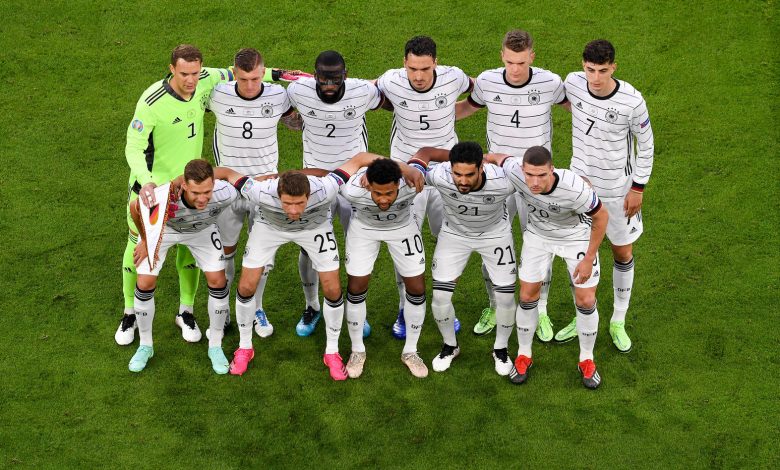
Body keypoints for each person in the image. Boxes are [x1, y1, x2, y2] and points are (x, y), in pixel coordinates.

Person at [116, 43, 301, 346]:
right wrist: (147, 182)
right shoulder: (152, 101)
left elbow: (237, 71)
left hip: (191, 188)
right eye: (184, 74)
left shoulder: (206, 80)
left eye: (195, 73)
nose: (191, 80)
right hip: (154, 191)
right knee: (138, 246)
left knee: (190, 244)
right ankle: (129, 313)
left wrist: (279, 74)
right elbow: (133, 146)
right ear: (172, 69)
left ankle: (186, 311)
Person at [214, 153, 408, 380]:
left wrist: (405, 169)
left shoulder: (326, 188)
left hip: (314, 228)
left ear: (309, 195)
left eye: (300, 203)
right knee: (247, 286)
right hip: (269, 228)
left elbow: (359, 159)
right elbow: (224, 172)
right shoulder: (259, 190)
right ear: (277, 195)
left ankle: (332, 352)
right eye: (287, 203)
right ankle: (245, 347)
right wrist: (181, 181)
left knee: (333, 289)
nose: (294, 210)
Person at [456, 29, 567, 341]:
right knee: (491, 242)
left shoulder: (550, 82)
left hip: (537, 179)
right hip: (497, 177)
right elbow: (467, 108)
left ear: (532, 57)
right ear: (501, 56)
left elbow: (578, 105)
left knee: (542, 245)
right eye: (509, 62)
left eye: (521, 62)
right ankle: (494, 306)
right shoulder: (488, 81)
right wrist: (423, 111)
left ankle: (540, 310)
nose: (515, 69)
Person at [554, 39, 654, 353]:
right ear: (582, 66)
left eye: (602, 70)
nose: (595, 78)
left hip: (619, 192)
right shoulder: (573, 83)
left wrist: (638, 187)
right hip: (581, 191)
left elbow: (646, 145)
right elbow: (567, 103)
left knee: (622, 253)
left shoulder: (632, 101)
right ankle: (583, 314)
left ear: (613, 68)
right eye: (590, 70)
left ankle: (618, 320)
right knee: (580, 254)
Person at [486, 147, 608, 389]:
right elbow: (497, 158)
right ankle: (524, 355)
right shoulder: (515, 170)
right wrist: (478, 160)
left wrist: (589, 257)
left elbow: (601, 216)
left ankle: (586, 359)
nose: (534, 182)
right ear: (522, 169)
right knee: (526, 295)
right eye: (530, 175)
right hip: (538, 237)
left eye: (541, 175)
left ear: (552, 170)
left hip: (575, 238)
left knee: (585, 300)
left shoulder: (574, 187)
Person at [376, 35, 472, 339]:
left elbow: (482, 92)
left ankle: (445, 304)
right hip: (405, 177)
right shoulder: (391, 80)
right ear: (404, 63)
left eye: (425, 69)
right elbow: (364, 93)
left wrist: (450, 112)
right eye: (413, 68)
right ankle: (405, 306)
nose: (418, 76)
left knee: (452, 240)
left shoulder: (454, 78)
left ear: (436, 64)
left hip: (447, 175)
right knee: (404, 241)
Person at [286, 51, 383, 338]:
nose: (329, 85)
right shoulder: (298, 91)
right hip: (315, 182)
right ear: (314, 75)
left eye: (336, 79)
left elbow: (390, 96)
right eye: (324, 79)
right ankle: (312, 306)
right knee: (309, 247)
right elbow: (280, 108)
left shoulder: (363, 91)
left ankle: (356, 309)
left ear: (346, 75)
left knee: (359, 246)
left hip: (355, 182)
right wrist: (291, 119)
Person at [209, 47, 302, 340]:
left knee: (263, 257)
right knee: (224, 253)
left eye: (256, 78)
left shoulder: (278, 95)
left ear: (263, 73)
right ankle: (222, 310)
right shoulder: (217, 94)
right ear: (233, 73)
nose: (250, 86)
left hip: (265, 189)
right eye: (243, 79)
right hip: (226, 188)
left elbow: (297, 124)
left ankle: (257, 307)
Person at [127, 159, 238, 374]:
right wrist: (145, 240)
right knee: (145, 281)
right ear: (184, 185)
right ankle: (145, 346)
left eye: (207, 191)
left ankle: (215, 346)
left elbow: (227, 174)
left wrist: (235, 175)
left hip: (202, 232)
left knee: (218, 281)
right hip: (166, 231)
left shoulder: (225, 193)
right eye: (196, 192)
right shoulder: (165, 196)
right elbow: (135, 207)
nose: (202, 198)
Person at [418, 142, 517, 375]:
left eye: (469, 175)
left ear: (482, 167)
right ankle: (450, 346)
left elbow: (541, 178)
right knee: (440, 297)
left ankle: (501, 349)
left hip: (495, 236)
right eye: (457, 174)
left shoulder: (504, 181)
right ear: (450, 168)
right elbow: (411, 169)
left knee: (505, 298)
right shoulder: (440, 175)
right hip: (454, 236)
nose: (462, 181)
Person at [339, 157, 435, 378]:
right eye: (377, 193)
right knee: (356, 287)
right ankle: (357, 351)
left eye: (389, 193)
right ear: (368, 186)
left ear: (399, 184)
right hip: (364, 231)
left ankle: (411, 351)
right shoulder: (352, 190)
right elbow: (347, 165)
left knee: (417, 288)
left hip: (402, 229)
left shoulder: (413, 182)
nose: (383, 199)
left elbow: (433, 159)